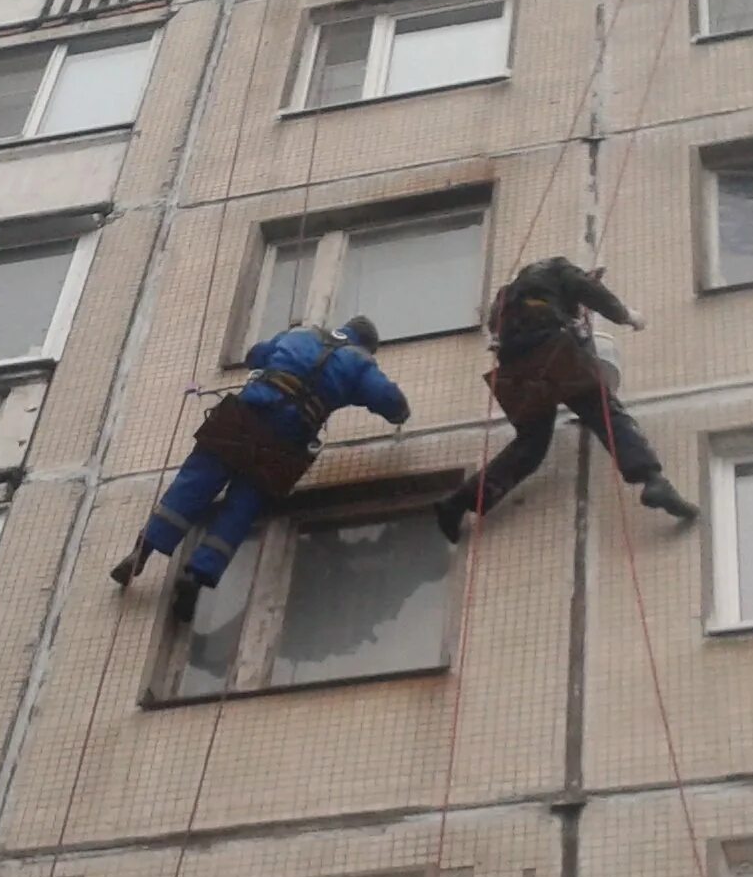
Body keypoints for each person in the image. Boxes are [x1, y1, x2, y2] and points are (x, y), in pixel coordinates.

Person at [114, 316, 411, 620]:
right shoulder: (359, 363)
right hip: (285, 439)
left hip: (245, 415)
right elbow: (388, 399)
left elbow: (256, 355)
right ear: (368, 346)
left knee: (194, 482)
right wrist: (401, 413)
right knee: (241, 509)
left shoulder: (304, 334)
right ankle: (196, 578)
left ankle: (142, 550)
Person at [436, 255, 695, 542]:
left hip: (515, 366)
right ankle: (652, 479)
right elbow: (586, 288)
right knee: (605, 413)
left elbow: (495, 328)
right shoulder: (558, 268)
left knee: (531, 446)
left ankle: (457, 502)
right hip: (551, 347)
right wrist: (625, 315)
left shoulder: (508, 295)